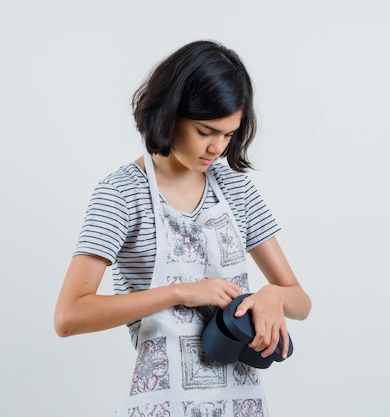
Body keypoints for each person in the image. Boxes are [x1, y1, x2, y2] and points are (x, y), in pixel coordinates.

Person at [54, 39, 312, 417]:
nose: (217, 148)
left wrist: (273, 295)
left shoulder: (235, 189)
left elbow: (300, 302)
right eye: (205, 131)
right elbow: (69, 316)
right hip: (163, 405)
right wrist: (178, 292)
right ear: (170, 113)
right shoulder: (121, 194)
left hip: (240, 405)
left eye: (228, 135)